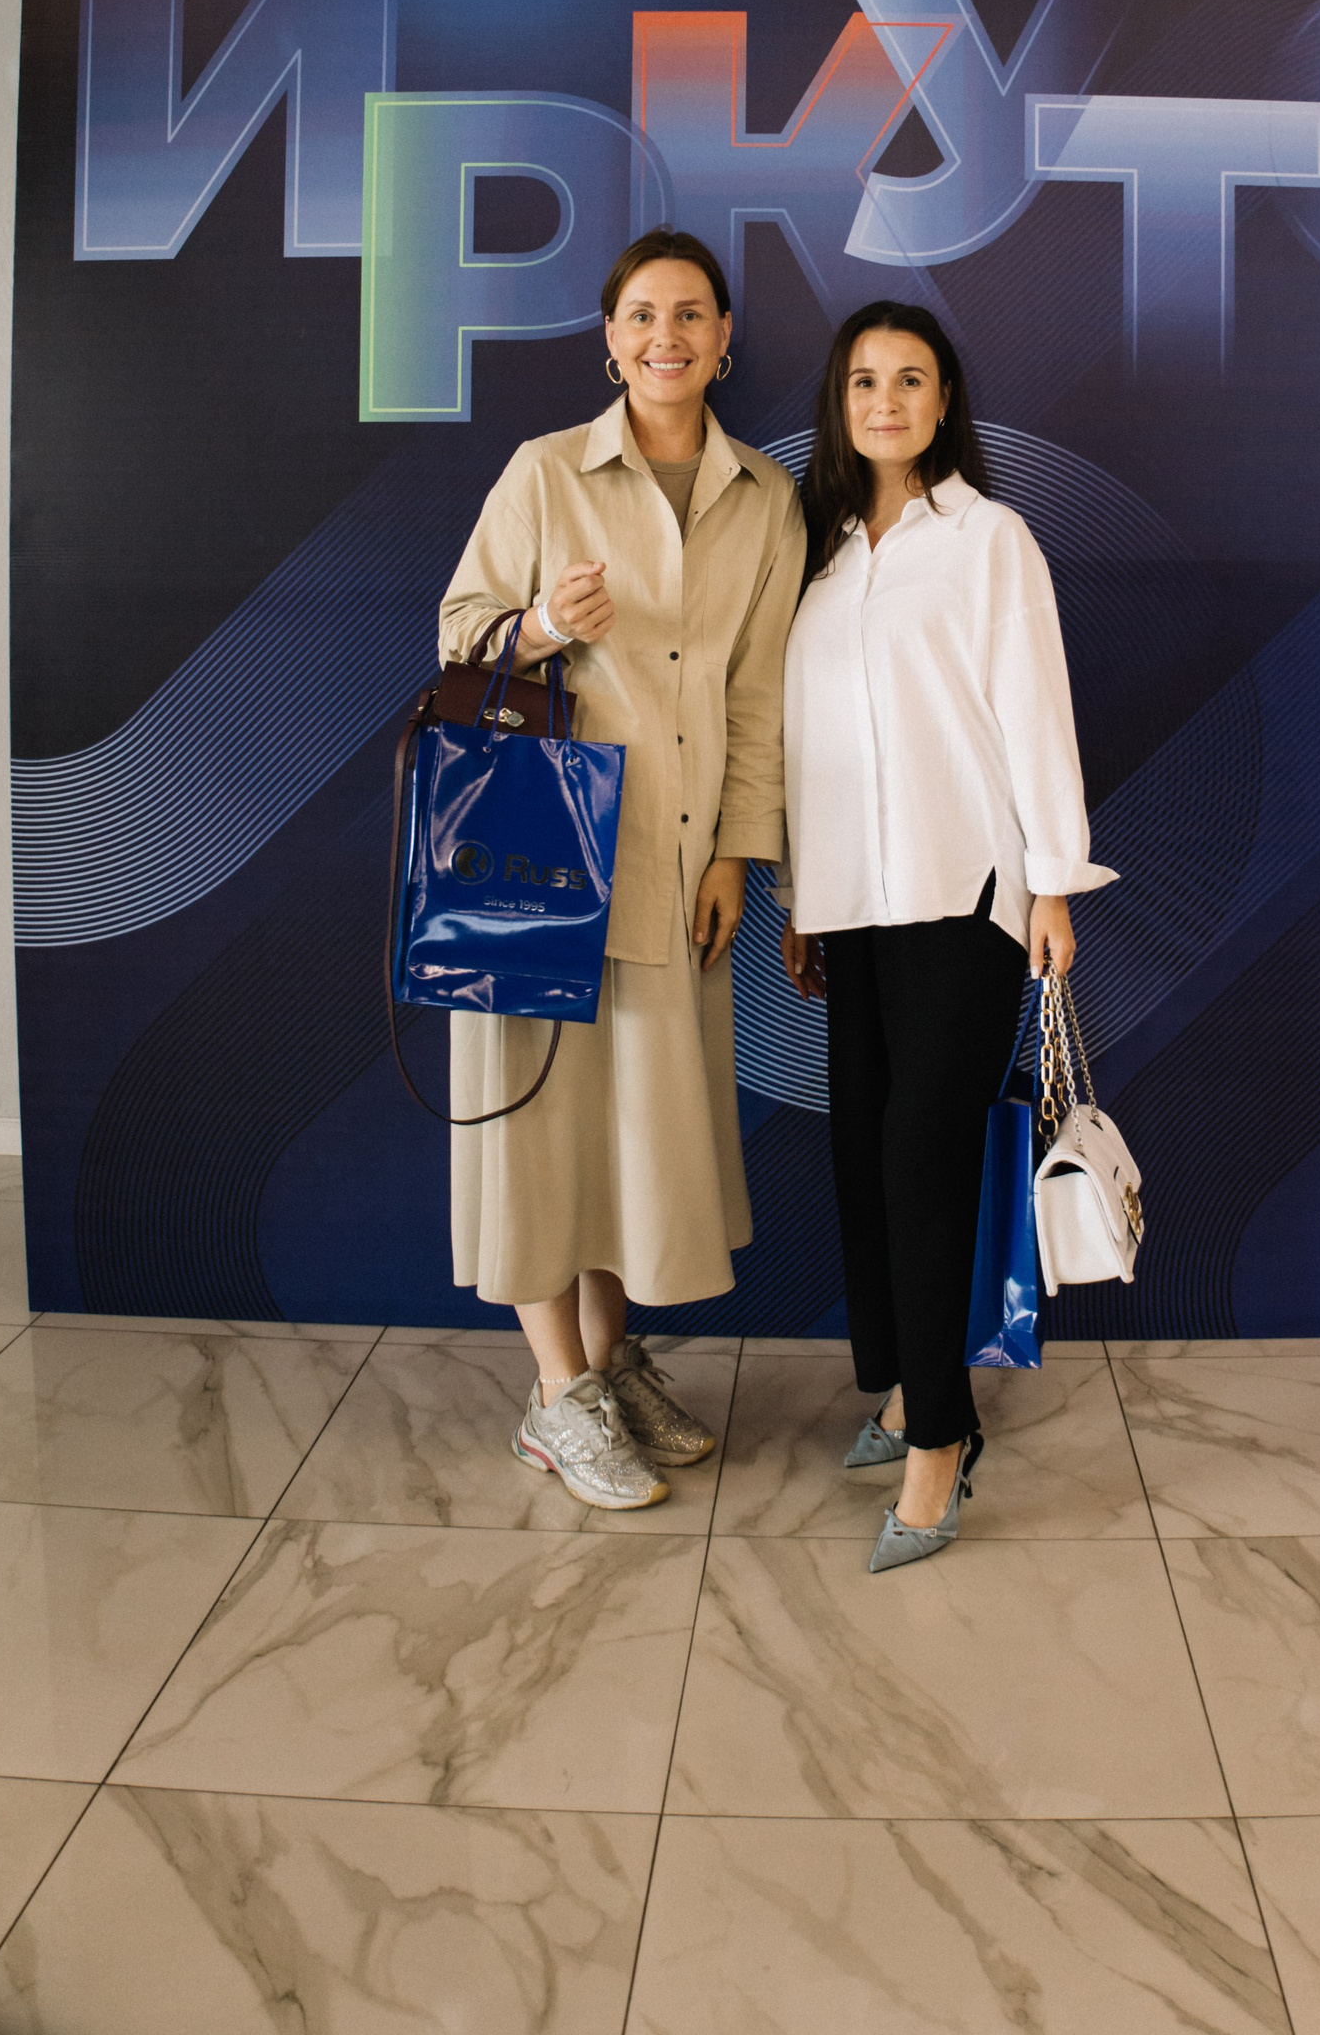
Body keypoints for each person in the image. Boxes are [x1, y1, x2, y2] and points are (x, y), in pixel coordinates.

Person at [439, 231, 804, 1510]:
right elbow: (456, 637)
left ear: (723, 338)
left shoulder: (765, 499)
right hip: (538, 855)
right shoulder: (545, 473)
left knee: (631, 1133)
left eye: (691, 314)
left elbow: (759, 697)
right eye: (642, 314)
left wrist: (740, 853)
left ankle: (605, 1362)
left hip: (676, 856)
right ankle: (555, 1397)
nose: (667, 336)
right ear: (609, 338)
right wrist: (543, 626)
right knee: (539, 1124)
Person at [779, 302, 1115, 1570]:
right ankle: (909, 1389)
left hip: (966, 897)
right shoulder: (815, 554)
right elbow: (804, 742)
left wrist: (1052, 884)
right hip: (851, 910)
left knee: (923, 1162)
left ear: (944, 400)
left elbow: (1036, 711)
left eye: (910, 379)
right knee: (869, 1162)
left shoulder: (987, 539)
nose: (886, 401)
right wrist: (802, 895)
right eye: (864, 380)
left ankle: (939, 1443)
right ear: (840, 402)